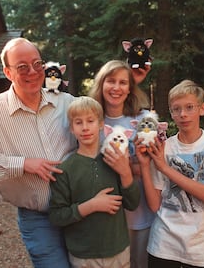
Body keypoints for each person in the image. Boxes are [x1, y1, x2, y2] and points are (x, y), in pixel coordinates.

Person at [0, 38, 77, 268]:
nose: (33, 72)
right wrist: (23, 164)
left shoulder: (68, 103)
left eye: (37, 64)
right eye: (22, 67)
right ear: (7, 72)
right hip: (38, 218)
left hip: (79, 211)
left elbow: (96, 137)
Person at [135, 79, 204, 268]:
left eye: (190, 107)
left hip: (203, 250)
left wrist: (165, 168)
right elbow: (154, 205)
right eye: (176, 109)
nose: (183, 114)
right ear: (171, 113)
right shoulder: (164, 147)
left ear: (202, 109)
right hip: (163, 246)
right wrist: (145, 165)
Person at [49, 96, 140, 268]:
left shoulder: (114, 160)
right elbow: (56, 216)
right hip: (84, 257)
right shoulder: (65, 169)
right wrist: (91, 205)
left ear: (101, 125)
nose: (85, 128)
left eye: (90, 121)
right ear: (71, 128)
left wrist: (126, 172)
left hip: (118, 251)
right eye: (78, 122)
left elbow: (133, 203)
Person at [88, 60, 155, 268]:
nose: (116, 88)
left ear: (130, 88)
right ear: (101, 84)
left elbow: (155, 166)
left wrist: (130, 167)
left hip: (141, 212)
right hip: (106, 216)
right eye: (111, 81)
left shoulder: (145, 118)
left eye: (123, 82)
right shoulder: (90, 120)